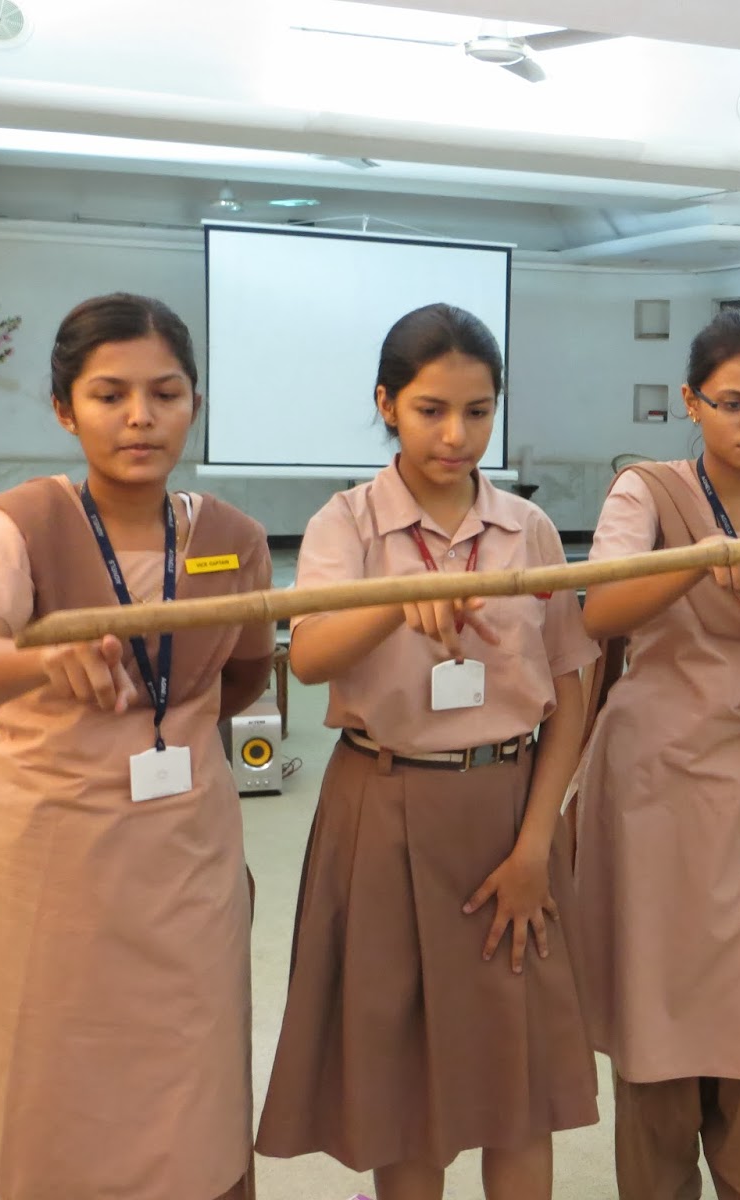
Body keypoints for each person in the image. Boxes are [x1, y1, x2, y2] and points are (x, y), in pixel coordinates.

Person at [255, 303, 598, 1200]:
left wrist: (536, 846)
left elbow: (570, 692)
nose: (455, 435)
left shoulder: (528, 529)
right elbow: (310, 658)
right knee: (403, 1087)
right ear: (387, 405)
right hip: (384, 807)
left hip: (510, 812)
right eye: (430, 410)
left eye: (477, 412)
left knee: (519, 1085)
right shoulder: (346, 525)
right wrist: (391, 600)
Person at [0, 293, 274, 1200]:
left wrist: (167, 725)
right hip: (44, 864)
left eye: (165, 394)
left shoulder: (233, 539)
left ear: (195, 404)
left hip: (183, 863)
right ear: (65, 410)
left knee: (189, 1080)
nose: (140, 417)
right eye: (109, 395)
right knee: (49, 1085)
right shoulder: (21, 523)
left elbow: (245, 674)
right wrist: (39, 659)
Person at [573, 308, 740, 1200]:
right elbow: (600, 612)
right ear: (691, 402)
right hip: (654, 787)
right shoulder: (648, 493)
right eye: (732, 403)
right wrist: (697, 558)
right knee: (660, 1014)